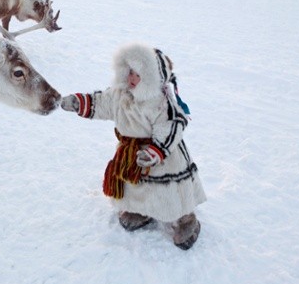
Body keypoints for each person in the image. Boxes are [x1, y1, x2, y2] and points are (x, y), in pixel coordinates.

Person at [60, 42, 206, 249]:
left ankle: (185, 219)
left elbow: (172, 127)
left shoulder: (161, 102)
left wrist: (156, 151)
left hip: (164, 157)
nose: (131, 78)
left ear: (152, 76)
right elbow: (101, 102)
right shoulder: (119, 95)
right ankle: (141, 210)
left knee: (169, 191)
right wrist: (80, 103)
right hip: (131, 154)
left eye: (137, 74)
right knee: (136, 186)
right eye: (129, 72)